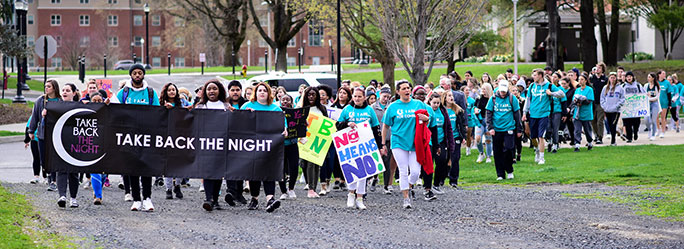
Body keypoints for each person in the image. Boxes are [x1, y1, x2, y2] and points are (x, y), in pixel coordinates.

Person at [113, 64, 160, 212]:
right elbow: (114, 110)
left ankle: (147, 199)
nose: (137, 75)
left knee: (146, 168)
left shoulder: (151, 93)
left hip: (146, 136)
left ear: (143, 75)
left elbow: (159, 113)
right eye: (135, 73)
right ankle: (136, 200)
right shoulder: (124, 93)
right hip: (129, 137)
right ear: (131, 75)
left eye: (140, 73)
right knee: (132, 168)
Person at [381, 79, 435, 209]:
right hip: (398, 142)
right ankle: (406, 198)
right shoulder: (393, 107)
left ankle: (409, 186)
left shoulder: (418, 104)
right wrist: (383, 144)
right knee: (403, 171)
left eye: (408, 88)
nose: (407, 90)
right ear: (398, 91)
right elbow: (385, 126)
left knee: (416, 172)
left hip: (415, 143)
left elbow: (429, 119)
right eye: (404, 88)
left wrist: (426, 119)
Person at [241, 82, 287, 213]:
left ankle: (270, 199)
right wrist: (246, 115)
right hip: (252, 145)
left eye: (265, 90)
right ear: (255, 93)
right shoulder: (247, 106)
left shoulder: (275, 109)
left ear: (269, 93)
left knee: (269, 172)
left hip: (269, 146)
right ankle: (254, 198)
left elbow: (283, 124)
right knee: (254, 172)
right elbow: (237, 122)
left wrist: (285, 130)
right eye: (259, 90)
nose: (262, 92)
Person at [336, 87, 382, 209]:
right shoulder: (347, 110)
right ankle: (351, 194)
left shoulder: (369, 110)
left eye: (359, 96)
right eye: (355, 96)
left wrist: (380, 146)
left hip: (366, 145)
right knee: (351, 169)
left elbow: (376, 128)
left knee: (363, 172)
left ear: (364, 97)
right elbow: (337, 125)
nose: (357, 98)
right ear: (352, 97)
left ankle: (360, 198)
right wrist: (347, 124)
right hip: (350, 145)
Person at [195, 79, 231, 211]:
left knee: (218, 173)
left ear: (220, 91)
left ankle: (215, 200)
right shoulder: (200, 106)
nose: (211, 91)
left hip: (222, 144)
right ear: (205, 91)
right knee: (208, 172)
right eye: (209, 89)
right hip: (205, 145)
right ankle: (208, 199)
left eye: (214, 88)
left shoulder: (226, 106)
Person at [522, 69, 565, 165]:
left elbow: (562, 94)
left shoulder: (549, 85)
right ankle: (537, 150)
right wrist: (524, 113)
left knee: (541, 136)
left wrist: (551, 93)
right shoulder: (532, 86)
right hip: (533, 114)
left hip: (544, 114)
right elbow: (528, 100)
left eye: (535, 75)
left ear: (541, 76)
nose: (533, 77)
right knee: (533, 137)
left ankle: (542, 158)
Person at [485, 80, 522, 180]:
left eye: (504, 91)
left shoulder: (512, 98)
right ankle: (500, 174)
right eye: (501, 91)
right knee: (497, 152)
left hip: (509, 127)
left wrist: (519, 129)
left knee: (509, 149)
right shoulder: (493, 99)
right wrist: (490, 127)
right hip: (496, 129)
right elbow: (488, 113)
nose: (502, 93)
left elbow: (517, 114)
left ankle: (509, 170)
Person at [28, 79, 61, 192]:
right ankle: (48, 176)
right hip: (42, 134)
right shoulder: (40, 101)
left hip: (56, 135)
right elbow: (34, 116)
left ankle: (53, 180)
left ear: (54, 88)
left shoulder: (60, 101)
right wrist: (31, 131)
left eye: (49, 86)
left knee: (54, 157)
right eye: (45, 86)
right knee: (44, 158)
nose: (46, 88)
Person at [298, 86, 328, 198]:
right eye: (309, 94)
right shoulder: (302, 108)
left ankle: (312, 188)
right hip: (304, 140)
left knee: (314, 164)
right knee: (304, 164)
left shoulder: (322, 109)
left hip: (317, 141)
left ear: (317, 96)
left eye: (313, 94)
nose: (311, 97)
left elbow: (327, 124)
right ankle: (310, 185)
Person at [56, 83, 82, 208]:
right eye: (63, 90)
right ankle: (62, 196)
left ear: (74, 93)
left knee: (73, 172)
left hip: (75, 142)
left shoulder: (80, 106)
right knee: (61, 169)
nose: (64, 92)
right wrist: (45, 114)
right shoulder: (56, 106)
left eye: (67, 90)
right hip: (60, 141)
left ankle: (73, 198)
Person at [159, 83, 184, 200]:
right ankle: (168, 189)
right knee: (168, 165)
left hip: (180, 137)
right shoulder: (161, 104)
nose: (172, 92)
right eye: (169, 90)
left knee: (179, 164)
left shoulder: (182, 103)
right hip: (166, 137)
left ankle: (177, 185)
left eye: (174, 89)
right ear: (166, 92)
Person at [372, 85, 397, 194]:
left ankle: (386, 185)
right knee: (375, 161)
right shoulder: (373, 107)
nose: (386, 98)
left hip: (388, 137)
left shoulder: (391, 107)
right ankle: (373, 179)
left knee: (387, 161)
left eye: (388, 97)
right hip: (375, 138)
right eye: (384, 96)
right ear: (379, 95)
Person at [441, 90, 466, 188]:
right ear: (445, 98)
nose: (451, 98)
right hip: (444, 138)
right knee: (444, 159)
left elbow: (462, 124)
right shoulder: (442, 110)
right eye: (449, 96)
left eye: (452, 96)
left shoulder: (458, 110)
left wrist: (463, 136)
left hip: (455, 137)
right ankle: (441, 178)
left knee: (455, 158)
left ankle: (454, 180)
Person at [278, 94, 299, 200]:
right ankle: (283, 191)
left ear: (291, 102)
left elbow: (301, 126)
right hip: (280, 145)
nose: (285, 101)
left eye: (288, 100)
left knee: (294, 166)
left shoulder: (296, 114)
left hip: (292, 144)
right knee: (280, 168)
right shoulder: (276, 112)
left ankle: (291, 188)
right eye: (283, 99)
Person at [600, 73, 626, 146]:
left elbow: (623, 98)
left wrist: (617, 105)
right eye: (611, 78)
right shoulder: (605, 88)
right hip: (607, 109)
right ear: (609, 79)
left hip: (616, 110)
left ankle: (613, 140)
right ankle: (613, 137)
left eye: (614, 78)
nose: (612, 79)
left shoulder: (620, 88)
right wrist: (604, 106)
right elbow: (602, 98)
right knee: (609, 124)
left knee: (613, 124)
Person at [545, 72, 567, 153]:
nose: (553, 78)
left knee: (555, 128)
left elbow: (564, 102)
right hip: (547, 111)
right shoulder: (546, 89)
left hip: (557, 110)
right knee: (548, 128)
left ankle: (555, 144)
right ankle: (549, 141)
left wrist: (564, 114)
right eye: (552, 77)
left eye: (555, 77)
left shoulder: (560, 89)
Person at [572, 75, 595, 152]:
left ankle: (589, 142)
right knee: (577, 130)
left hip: (586, 113)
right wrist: (576, 102)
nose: (580, 81)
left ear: (585, 80)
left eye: (582, 79)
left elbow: (589, 100)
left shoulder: (589, 89)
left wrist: (582, 101)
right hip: (577, 113)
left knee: (587, 130)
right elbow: (573, 99)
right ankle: (577, 144)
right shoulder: (577, 90)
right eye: (579, 79)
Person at [621, 71, 645, 142]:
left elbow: (643, 94)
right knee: (627, 123)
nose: (629, 78)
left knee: (636, 122)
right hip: (626, 108)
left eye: (630, 76)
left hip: (636, 108)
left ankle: (635, 132)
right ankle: (629, 137)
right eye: (627, 77)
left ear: (633, 77)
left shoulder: (638, 85)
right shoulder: (622, 86)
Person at [474, 83, 493, 163]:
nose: (483, 90)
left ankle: (488, 156)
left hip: (488, 121)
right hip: (480, 120)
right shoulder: (478, 99)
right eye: (482, 89)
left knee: (488, 139)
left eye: (484, 89)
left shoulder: (492, 99)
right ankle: (481, 153)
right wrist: (475, 110)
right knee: (477, 138)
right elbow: (474, 107)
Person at [590, 62, 608, 144]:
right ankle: (596, 135)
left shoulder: (605, 79)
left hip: (601, 102)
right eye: (597, 68)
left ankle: (600, 137)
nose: (597, 69)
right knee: (593, 120)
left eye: (599, 68)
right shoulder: (592, 78)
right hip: (593, 102)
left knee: (600, 120)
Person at [645, 73, 661, 141]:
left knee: (653, 120)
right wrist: (647, 98)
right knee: (646, 119)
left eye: (649, 77)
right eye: (648, 77)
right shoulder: (646, 86)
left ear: (653, 78)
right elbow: (644, 94)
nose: (648, 78)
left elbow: (657, 97)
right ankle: (649, 130)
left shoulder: (656, 86)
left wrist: (650, 98)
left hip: (654, 103)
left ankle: (653, 134)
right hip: (647, 104)